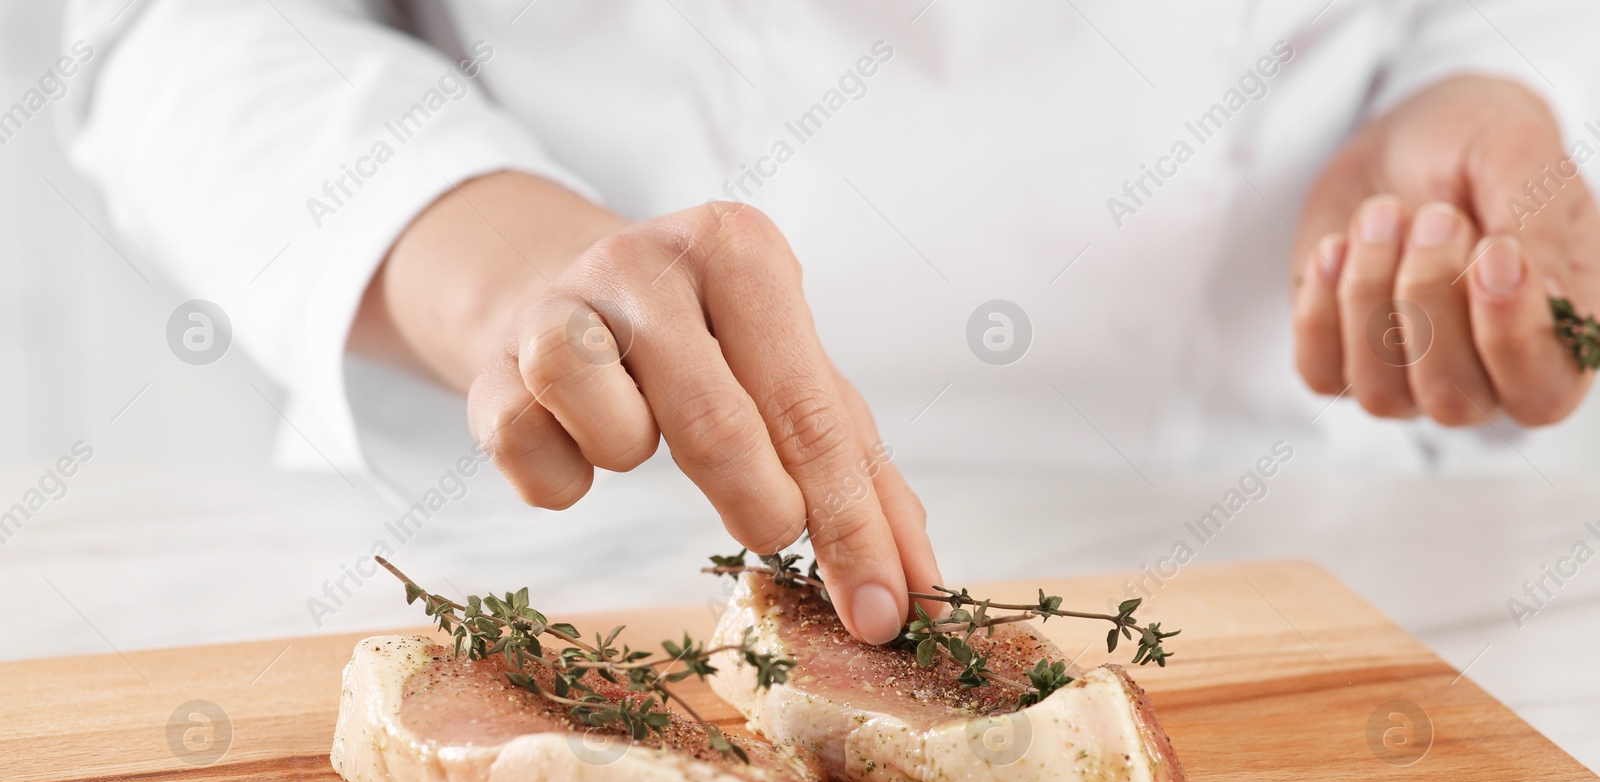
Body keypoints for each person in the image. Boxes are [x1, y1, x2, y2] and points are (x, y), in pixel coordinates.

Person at [62, 0, 1600, 644]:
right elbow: (175, 28)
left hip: (1321, 531)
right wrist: (507, 269)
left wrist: (1501, 93)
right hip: (540, 541)